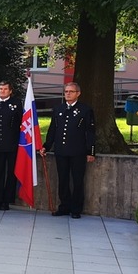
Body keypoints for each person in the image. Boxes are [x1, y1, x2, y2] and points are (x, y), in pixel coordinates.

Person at [40, 82, 96, 219]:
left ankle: (76, 209)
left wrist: (91, 151)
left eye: (71, 91)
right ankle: (64, 206)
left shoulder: (85, 110)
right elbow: (53, 129)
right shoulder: (58, 109)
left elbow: (90, 132)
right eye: (66, 91)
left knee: (77, 181)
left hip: (78, 151)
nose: (68, 94)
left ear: (78, 93)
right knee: (63, 180)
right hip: (61, 151)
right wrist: (46, 146)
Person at [0, 80, 22, 210]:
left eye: (5, 89)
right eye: (1, 89)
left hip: (12, 145)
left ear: (10, 91)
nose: (2, 91)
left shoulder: (16, 104)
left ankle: (7, 201)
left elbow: (22, 123)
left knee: (11, 174)